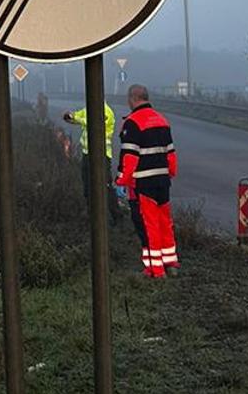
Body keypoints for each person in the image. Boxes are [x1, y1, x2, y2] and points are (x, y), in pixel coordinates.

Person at [116, 84, 178, 277]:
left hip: (144, 183)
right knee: (164, 223)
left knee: (148, 225)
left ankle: (155, 270)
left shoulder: (133, 123)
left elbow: (130, 158)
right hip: (163, 181)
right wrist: (169, 174)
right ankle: (171, 263)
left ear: (133, 98)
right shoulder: (162, 120)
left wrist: (121, 180)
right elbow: (171, 155)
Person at [63, 98, 118, 227]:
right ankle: (91, 214)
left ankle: (114, 216)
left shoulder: (106, 112)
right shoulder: (89, 109)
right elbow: (78, 115)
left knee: (105, 186)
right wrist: (70, 116)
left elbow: (93, 122)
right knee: (87, 185)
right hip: (88, 154)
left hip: (102, 154)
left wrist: (76, 119)